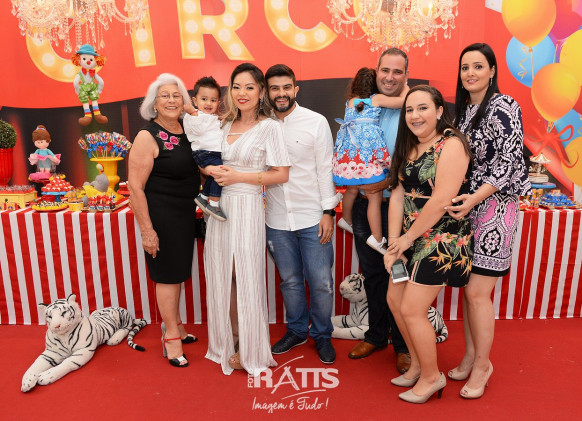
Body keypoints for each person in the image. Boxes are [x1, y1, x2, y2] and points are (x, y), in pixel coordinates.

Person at [446, 43, 531, 399]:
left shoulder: (504, 105)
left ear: (493, 71)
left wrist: (474, 198)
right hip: (468, 209)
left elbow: (510, 162)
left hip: (496, 207)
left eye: (478, 66)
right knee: (470, 289)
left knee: (478, 293)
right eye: (465, 67)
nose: (470, 73)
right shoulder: (464, 112)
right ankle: (470, 356)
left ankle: (483, 365)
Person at [384, 85, 473, 403]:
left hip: (443, 237)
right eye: (409, 110)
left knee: (412, 309)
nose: (415, 115)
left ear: (438, 111)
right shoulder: (407, 144)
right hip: (407, 237)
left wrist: (406, 240)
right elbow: (397, 195)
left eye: (422, 108)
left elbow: (440, 201)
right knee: (395, 300)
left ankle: (433, 377)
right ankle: (419, 366)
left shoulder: (452, 144)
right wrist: (394, 244)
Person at [203, 63, 290, 376]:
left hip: (248, 205)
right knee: (222, 274)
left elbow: (281, 174)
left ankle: (251, 346)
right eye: (236, 87)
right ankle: (233, 339)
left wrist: (239, 176)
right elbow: (206, 160)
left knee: (245, 274)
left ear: (261, 92)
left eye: (249, 87)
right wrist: (209, 169)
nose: (242, 93)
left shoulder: (270, 128)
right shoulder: (222, 125)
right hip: (219, 208)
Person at [264, 64, 341, 364]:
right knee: (290, 281)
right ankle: (296, 331)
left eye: (286, 87)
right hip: (276, 219)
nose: (281, 93)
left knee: (321, 282)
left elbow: (325, 169)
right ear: (267, 92)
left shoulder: (315, 122)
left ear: (295, 89)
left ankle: (322, 335)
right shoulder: (261, 125)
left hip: (312, 217)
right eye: (274, 88)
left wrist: (328, 212)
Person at [128, 73, 200, 368]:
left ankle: (177, 326)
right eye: (165, 96)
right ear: (153, 103)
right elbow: (135, 188)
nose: (171, 100)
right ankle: (171, 337)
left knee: (178, 273)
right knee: (168, 277)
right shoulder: (147, 136)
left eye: (176, 95)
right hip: (161, 217)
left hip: (184, 215)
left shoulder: (187, 129)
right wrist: (147, 231)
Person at [347, 48, 410, 375]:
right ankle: (375, 335)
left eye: (397, 72)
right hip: (365, 205)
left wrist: (385, 180)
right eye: (385, 70)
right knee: (372, 273)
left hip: (400, 208)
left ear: (405, 76)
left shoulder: (413, 107)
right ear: (377, 71)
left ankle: (403, 345)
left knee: (399, 275)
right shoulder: (363, 105)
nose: (390, 77)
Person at [333, 67, 406, 253]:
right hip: (367, 156)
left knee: (352, 189)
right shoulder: (376, 99)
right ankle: (377, 238)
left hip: (351, 155)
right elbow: (402, 102)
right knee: (374, 196)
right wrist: (405, 86)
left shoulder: (350, 102)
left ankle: (346, 219)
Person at [183, 76, 226, 221]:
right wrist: (193, 113)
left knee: (216, 175)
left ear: (218, 103)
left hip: (212, 153)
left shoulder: (212, 117)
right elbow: (199, 130)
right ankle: (214, 204)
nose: (208, 103)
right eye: (204, 99)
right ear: (195, 101)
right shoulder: (192, 116)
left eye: (213, 100)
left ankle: (203, 196)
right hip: (204, 153)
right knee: (220, 174)